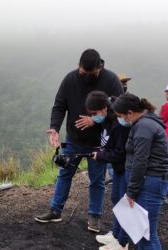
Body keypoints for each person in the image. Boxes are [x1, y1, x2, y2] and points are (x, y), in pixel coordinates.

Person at [34, 49, 123, 233]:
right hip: (73, 140)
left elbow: (119, 111)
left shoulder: (111, 80)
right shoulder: (70, 79)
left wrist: (96, 120)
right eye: (82, 72)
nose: (84, 76)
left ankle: (95, 217)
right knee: (64, 174)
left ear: (99, 68)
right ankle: (55, 210)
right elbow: (59, 106)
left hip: (100, 142)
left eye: (89, 74)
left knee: (97, 180)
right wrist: (54, 128)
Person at [113, 93, 168, 249]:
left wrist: (131, 192)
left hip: (150, 182)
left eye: (121, 116)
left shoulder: (144, 127)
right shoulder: (145, 123)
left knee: (146, 235)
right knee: (141, 232)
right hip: (148, 180)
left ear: (130, 113)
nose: (121, 120)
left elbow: (140, 160)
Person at [82, 91, 130, 250]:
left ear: (104, 108)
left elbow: (120, 153)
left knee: (124, 204)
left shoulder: (119, 124)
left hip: (125, 168)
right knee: (116, 199)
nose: (94, 117)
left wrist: (101, 155)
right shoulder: (107, 120)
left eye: (95, 113)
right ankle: (115, 235)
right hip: (117, 168)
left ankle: (123, 243)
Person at [105, 74, 132, 185]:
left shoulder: (129, 98)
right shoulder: (111, 100)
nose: (124, 85)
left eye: (125, 83)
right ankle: (112, 177)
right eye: (122, 83)